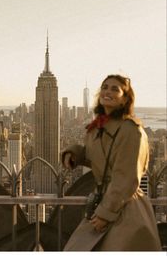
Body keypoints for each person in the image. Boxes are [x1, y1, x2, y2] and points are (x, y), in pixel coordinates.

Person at [62, 74, 162, 251]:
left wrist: (105, 214)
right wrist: (75, 153)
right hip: (103, 202)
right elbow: (99, 156)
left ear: (125, 99)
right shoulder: (99, 127)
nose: (107, 91)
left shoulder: (132, 131)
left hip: (125, 209)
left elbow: (127, 177)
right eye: (105, 87)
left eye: (115, 89)